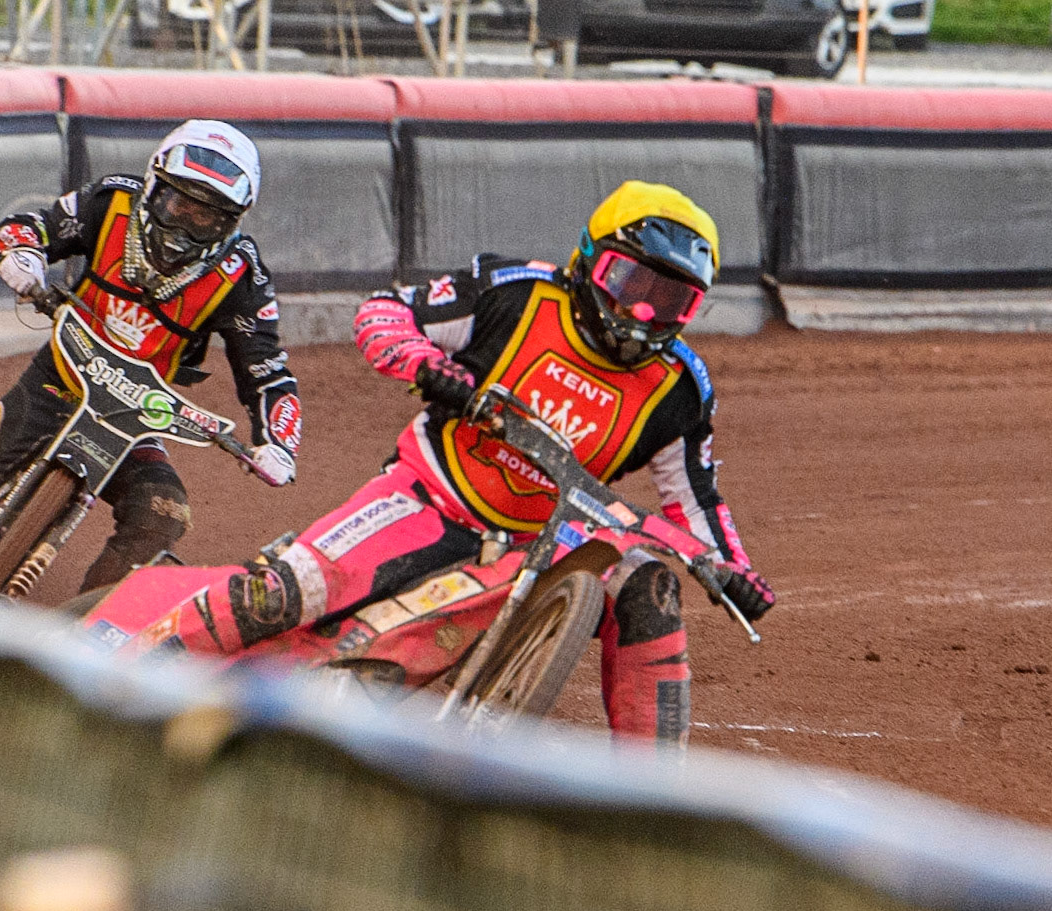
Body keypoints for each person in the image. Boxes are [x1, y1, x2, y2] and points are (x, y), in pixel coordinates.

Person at [95, 180, 774, 746]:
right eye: (631, 281)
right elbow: (384, 315)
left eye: (673, 300)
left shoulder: (681, 387)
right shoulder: (515, 293)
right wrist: (436, 371)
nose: (643, 312)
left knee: (649, 584)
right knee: (284, 594)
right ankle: (112, 677)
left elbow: (695, 498)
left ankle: (653, 799)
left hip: (553, 537)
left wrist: (734, 570)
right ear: (590, 258)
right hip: (430, 497)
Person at [0, 119, 302, 592]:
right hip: (55, 383)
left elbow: (267, 373)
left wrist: (278, 443)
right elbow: (27, 227)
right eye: (178, 203)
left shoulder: (242, 275)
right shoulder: (111, 200)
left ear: (232, 222)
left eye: (206, 217)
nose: (185, 223)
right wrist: (24, 255)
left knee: (163, 513)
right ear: (154, 185)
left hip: (133, 418)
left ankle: (95, 633)